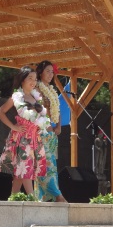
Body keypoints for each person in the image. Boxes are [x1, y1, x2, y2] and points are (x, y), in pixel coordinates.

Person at [0, 66, 49, 196]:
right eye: (30, 78)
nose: (33, 81)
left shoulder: (36, 97)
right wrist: (13, 127)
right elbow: (0, 112)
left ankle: (13, 198)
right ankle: (32, 198)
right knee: (25, 166)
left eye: (35, 79)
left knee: (20, 172)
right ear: (22, 80)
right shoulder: (17, 96)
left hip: (34, 137)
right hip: (22, 137)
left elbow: (40, 117)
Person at [35, 60, 66, 202]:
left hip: (51, 134)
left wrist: (58, 126)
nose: (50, 74)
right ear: (40, 72)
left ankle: (44, 198)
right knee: (45, 165)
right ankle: (58, 195)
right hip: (40, 132)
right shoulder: (36, 89)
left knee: (52, 165)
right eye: (47, 71)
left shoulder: (52, 90)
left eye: (52, 72)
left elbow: (57, 109)